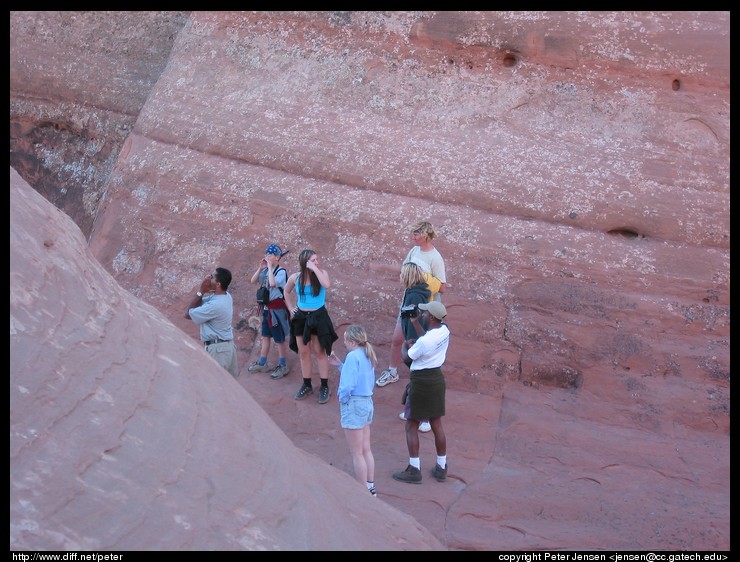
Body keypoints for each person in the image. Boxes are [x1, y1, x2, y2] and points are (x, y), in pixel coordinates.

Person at [376, 221, 446, 389]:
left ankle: (423, 382)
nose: (412, 237)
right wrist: (383, 266)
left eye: (416, 234)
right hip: (409, 301)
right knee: (396, 339)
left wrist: (424, 279)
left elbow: (442, 288)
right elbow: (404, 270)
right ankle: (392, 371)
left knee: (421, 344)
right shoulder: (414, 251)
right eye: (412, 233)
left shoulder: (435, 258)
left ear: (426, 235)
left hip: (426, 308)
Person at [392, 300, 450, 484]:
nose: (423, 314)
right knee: (436, 423)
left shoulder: (424, 342)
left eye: (425, 314)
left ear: (431, 317)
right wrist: (416, 323)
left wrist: (404, 345)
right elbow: (426, 339)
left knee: (411, 426)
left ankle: (414, 470)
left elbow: (405, 358)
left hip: (421, 383)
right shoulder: (444, 330)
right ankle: (441, 467)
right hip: (436, 380)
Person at [328, 325, 378, 497]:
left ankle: (362, 492)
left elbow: (348, 384)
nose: (344, 343)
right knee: (366, 449)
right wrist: (340, 365)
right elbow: (361, 377)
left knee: (356, 453)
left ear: (351, 340)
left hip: (354, 404)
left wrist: (343, 399)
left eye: (345, 340)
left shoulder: (353, 356)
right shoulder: (367, 354)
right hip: (366, 402)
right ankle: (370, 487)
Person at [284, 249, 338, 404]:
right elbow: (286, 292)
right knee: (304, 353)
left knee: (320, 352)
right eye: (313, 260)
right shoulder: (295, 277)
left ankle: (324, 385)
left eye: (317, 259)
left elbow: (326, 284)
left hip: (318, 316)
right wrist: (290, 307)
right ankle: (307, 384)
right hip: (301, 317)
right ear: (305, 262)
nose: (317, 262)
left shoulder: (322, 274)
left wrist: (314, 268)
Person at [396, 262, 432, 432]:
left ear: (409, 276)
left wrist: (412, 343)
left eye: (402, 274)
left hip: (417, 343)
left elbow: (415, 322)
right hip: (414, 341)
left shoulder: (415, 296)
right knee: (415, 378)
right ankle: (412, 411)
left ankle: (425, 419)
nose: (400, 277)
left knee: (420, 380)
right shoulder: (412, 292)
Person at [185, 267, 238, 378]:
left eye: (211, 277)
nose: (208, 278)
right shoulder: (226, 296)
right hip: (227, 348)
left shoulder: (215, 305)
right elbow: (199, 304)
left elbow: (188, 314)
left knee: (216, 386)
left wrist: (201, 291)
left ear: (218, 284)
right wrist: (204, 292)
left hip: (218, 351)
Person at [247, 244, 291, 379]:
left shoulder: (281, 272)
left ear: (277, 257)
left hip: (277, 310)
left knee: (279, 339)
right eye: (266, 254)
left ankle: (283, 365)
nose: (267, 257)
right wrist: (261, 268)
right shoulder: (267, 270)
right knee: (265, 336)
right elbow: (253, 281)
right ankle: (262, 362)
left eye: (270, 255)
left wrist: (270, 268)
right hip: (267, 309)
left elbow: (272, 284)